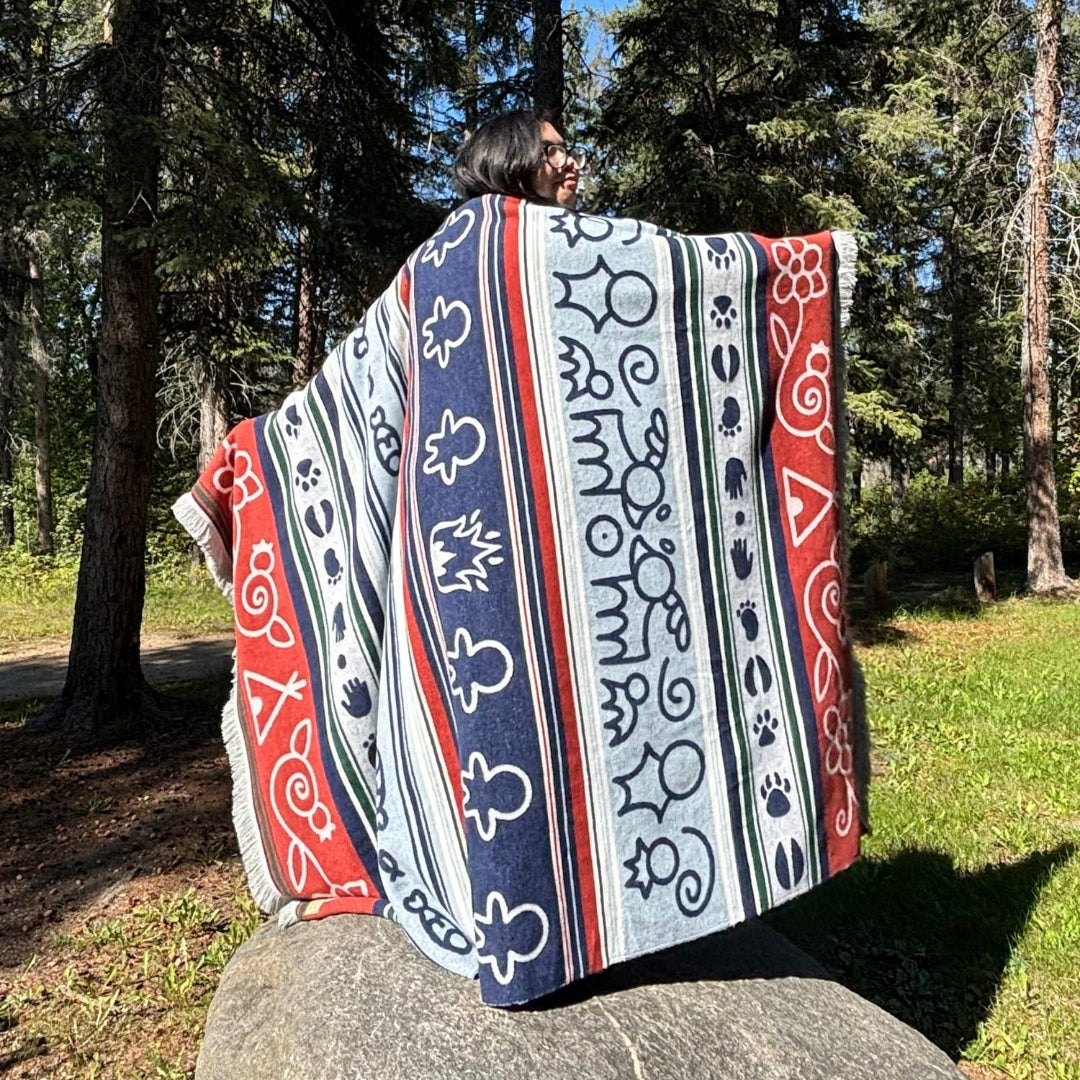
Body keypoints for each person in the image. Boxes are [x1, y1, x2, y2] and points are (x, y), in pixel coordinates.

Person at [452, 109, 580, 209]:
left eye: (565, 151)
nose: (571, 162)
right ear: (506, 161)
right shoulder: (459, 239)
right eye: (550, 150)